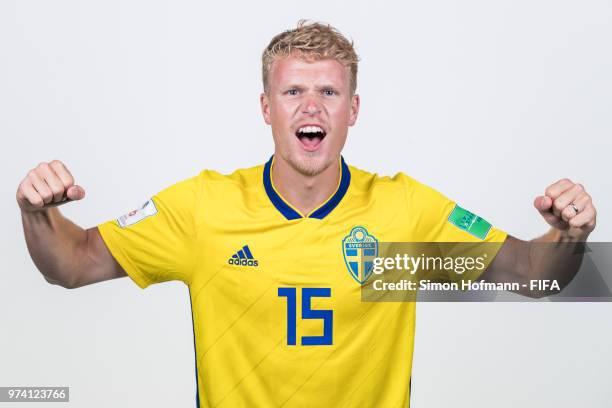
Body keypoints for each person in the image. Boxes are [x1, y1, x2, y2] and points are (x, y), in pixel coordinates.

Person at [16, 20, 597, 407]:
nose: (311, 105)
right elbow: (72, 264)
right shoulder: (204, 209)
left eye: (329, 92)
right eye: (294, 92)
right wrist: (37, 214)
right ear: (267, 107)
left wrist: (568, 235)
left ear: (354, 110)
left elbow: (532, 274)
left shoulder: (403, 212)